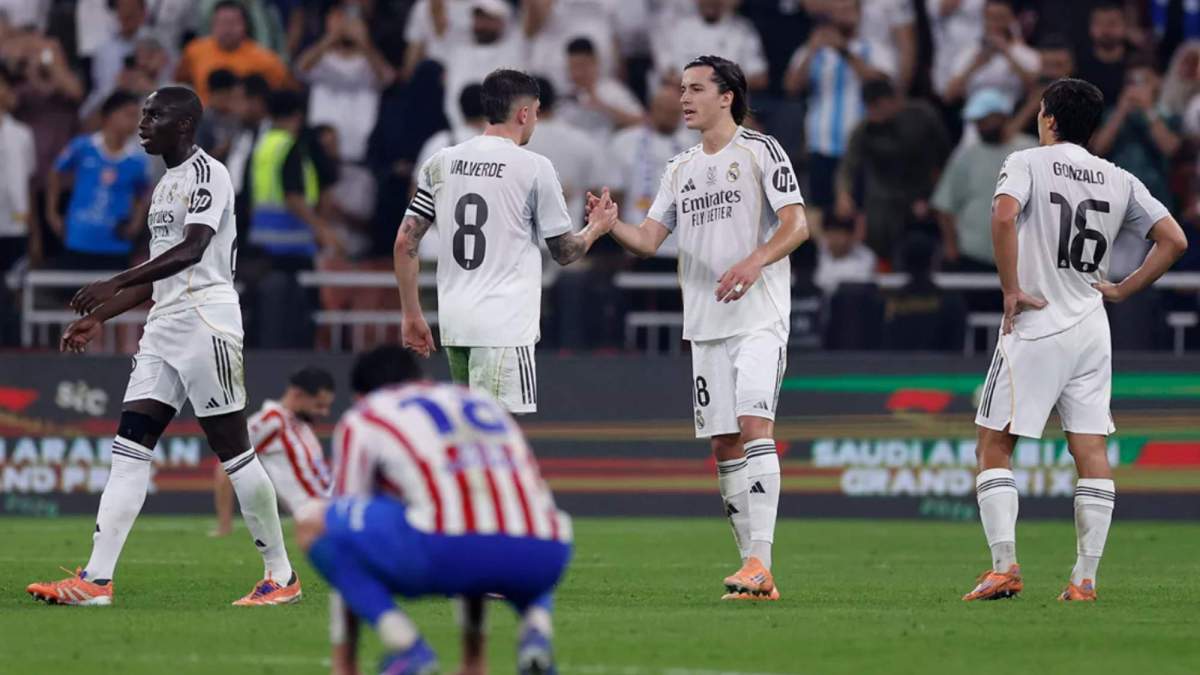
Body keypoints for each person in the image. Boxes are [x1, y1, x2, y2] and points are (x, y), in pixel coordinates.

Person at [25, 86, 301, 607]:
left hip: (205, 319)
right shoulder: (166, 183)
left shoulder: (208, 173)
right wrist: (100, 317)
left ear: (186, 123)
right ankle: (96, 581)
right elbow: (158, 278)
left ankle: (281, 576)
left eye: (155, 114)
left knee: (234, 451)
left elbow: (194, 249)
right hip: (165, 324)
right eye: (143, 113)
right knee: (129, 448)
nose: (142, 122)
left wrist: (113, 280)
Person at [964, 78, 1188, 603]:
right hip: (1091, 325)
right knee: (1090, 448)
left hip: (1038, 321)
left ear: (1047, 118)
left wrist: (1011, 288)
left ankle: (1004, 567)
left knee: (994, 443)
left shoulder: (1026, 162)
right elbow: (1174, 239)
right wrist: (1123, 289)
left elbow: (1002, 215)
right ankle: (1084, 579)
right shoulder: (1119, 178)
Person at [593, 55, 809, 599]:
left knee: (755, 425)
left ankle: (762, 560)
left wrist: (756, 260)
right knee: (723, 444)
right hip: (706, 324)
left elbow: (797, 223)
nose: (683, 98)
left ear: (726, 96)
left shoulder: (761, 150)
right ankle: (751, 572)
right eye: (680, 88)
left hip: (759, 316)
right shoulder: (680, 168)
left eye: (694, 89)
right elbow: (648, 239)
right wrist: (609, 224)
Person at [296, 345, 572, 675]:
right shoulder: (479, 402)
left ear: (361, 394)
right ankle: (534, 633)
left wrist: (345, 660)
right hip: (547, 552)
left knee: (315, 522)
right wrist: (474, 661)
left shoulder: (367, 414)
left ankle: (406, 645)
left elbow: (344, 517)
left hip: (448, 550)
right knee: (501, 522)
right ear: (421, 377)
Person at [394, 69, 615, 414]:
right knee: (496, 432)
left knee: (470, 428)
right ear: (524, 113)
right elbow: (565, 252)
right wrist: (597, 227)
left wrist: (411, 313)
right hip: (504, 324)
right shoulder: (533, 167)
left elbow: (404, 243)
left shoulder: (441, 162)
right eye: (537, 113)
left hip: (456, 322)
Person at [783, 0, 894, 219]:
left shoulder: (874, 48)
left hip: (862, 146)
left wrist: (844, 51)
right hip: (821, 144)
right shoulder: (812, 50)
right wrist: (812, 52)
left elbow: (882, 86)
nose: (843, 16)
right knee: (821, 214)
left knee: (861, 213)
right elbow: (791, 87)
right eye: (838, 11)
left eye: (848, 10)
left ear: (859, 13)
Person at [834, 78, 950, 263]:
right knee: (878, 239)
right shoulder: (865, 129)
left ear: (892, 100)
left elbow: (944, 159)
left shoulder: (923, 117)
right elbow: (848, 165)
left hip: (921, 195)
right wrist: (843, 193)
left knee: (920, 247)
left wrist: (932, 198)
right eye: (869, 107)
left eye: (877, 106)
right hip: (883, 201)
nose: (874, 113)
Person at [212, 366, 335, 537]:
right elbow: (226, 464)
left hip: (334, 506)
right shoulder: (271, 420)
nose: (324, 412)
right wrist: (225, 525)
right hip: (319, 515)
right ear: (297, 394)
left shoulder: (301, 424)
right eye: (319, 405)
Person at [934, 88, 1037, 270]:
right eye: (977, 122)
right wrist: (951, 245)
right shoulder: (966, 156)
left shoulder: (1031, 151)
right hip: (973, 254)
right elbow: (944, 205)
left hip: (1022, 257)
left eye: (985, 121)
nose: (980, 127)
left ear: (1002, 116)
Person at [45, 91, 149, 270]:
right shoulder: (82, 147)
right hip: (79, 238)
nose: (135, 122)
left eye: (136, 116)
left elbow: (143, 193)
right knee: (76, 294)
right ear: (109, 116)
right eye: (129, 115)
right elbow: (55, 173)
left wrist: (136, 223)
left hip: (117, 243)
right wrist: (52, 213)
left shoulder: (137, 159)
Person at [174, 0, 289, 103]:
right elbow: (180, 80)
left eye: (233, 23)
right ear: (213, 25)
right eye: (222, 23)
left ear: (245, 26)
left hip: (244, 121)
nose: (227, 29)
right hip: (204, 119)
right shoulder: (195, 51)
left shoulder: (266, 59)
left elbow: (282, 91)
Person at [942, 0, 1038, 105]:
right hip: (975, 115)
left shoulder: (1025, 54)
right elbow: (949, 96)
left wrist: (1008, 55)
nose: (995, 24)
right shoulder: (969, 53)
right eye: (991, 18)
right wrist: (975, 65)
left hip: (1013, 112)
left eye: (1000, 18)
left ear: (1011, 20)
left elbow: (1035, 91)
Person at [558, 37, 644, 139]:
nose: (578, 73)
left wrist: (602, 106)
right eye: (573, 67)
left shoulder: (611, 90)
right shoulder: (564, 97)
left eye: (582, 66)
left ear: (595, 62)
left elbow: (641, 122)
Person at [1074, 1, 1131, 107]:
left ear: (1125, 26)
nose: (1105, 30)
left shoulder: (1138, 60)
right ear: (1090, 27)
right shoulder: (1078, 64)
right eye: (1099, 24)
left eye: (1112, 23)